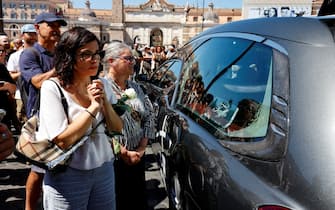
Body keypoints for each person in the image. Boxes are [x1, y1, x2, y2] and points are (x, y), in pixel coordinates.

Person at [39, 26, 122, 210]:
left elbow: (117, 128)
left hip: (104, 170)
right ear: (68, 56)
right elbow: (62, 140)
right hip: (67, 174)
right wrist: (93, 107)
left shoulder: (104, 84)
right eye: (86, 54)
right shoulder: (52, 88)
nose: (94, 60)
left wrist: (105, 103)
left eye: (96, 53)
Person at [19, 12, 67, 210]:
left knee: (62, 165)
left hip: (64, 114)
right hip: (41, 118)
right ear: (37, 28)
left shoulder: (60, 54)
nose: (56, 29)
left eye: (58, 25)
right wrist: (62, 67)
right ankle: (30, 207)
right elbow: (38, 82)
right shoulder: (30, 54)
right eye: (51, 25)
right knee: (39, 168)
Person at [103, 41, 155, 210]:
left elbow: (149, 115)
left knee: (137, 200)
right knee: (119, 200)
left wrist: (141, 149)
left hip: (137, 156)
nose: (134, 62)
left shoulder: (136, 87)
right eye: (128, 58)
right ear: (111, 61)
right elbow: (101, 125)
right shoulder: (101, 87)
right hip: (114, 159)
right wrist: (123, 152)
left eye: (134, 58)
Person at [7, 24, 38, 125]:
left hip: (38, 94)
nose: (33, 36)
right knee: (22, 121)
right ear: (22, 36)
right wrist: (25, 72)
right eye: (29, 34)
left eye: (34, 34)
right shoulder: (15, 56)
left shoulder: (40, 54)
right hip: (21, 94)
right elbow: (10, 76)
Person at [0, 44, 18, 131]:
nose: (0, 53)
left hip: (4, 111)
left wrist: (7, 86)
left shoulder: (2, 68)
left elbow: (13, 87)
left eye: (2, 51)